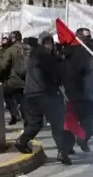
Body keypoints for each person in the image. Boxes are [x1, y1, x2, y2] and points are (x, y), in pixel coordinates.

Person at [14, 33, 73, 165]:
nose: (49, 46)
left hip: (30, 94)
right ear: (42, 44)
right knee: (57, 124)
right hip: (46, 94)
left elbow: (22, 72)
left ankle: (22, 141)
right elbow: (57, 75)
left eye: (50, 43)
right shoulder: (45, 56)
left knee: (35, 123)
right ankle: (62, 152)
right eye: (47, 43)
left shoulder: (31, 56)